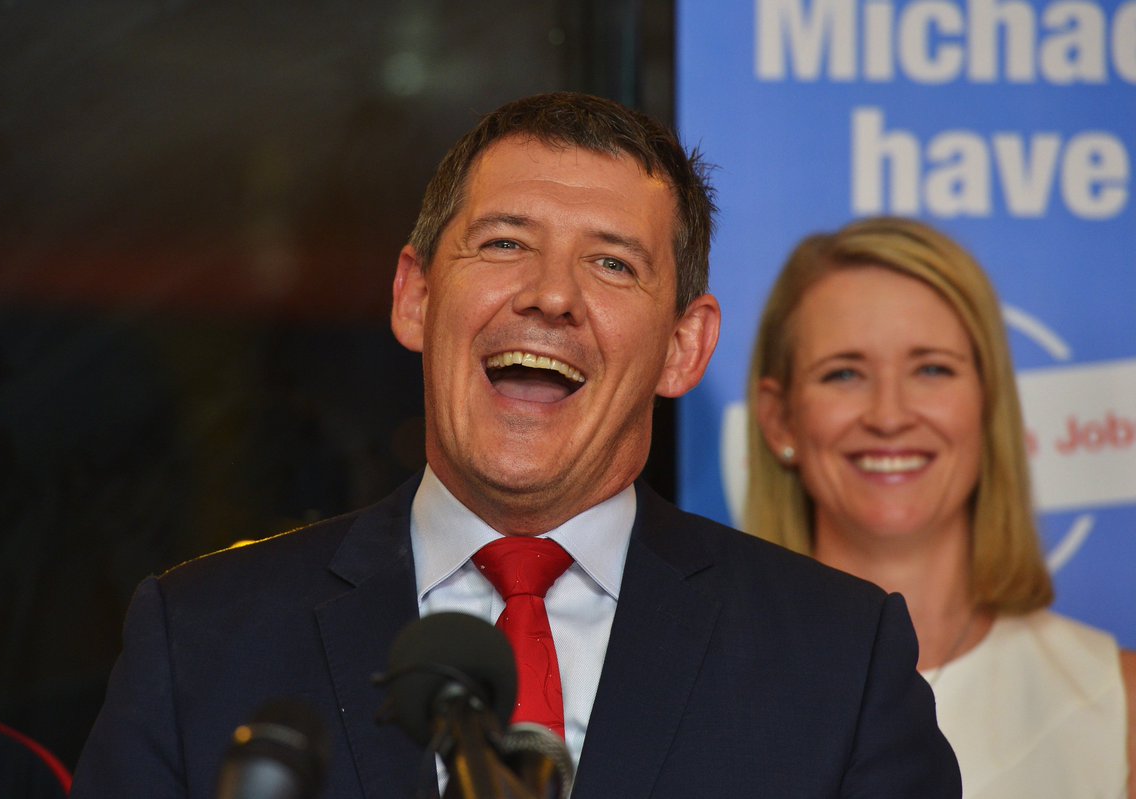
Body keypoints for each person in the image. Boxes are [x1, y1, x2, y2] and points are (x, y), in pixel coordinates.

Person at [70, 93, 960, 797]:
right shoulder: (201, 638)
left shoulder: (838, 662)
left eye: (612, 263)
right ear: (415, 296)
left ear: (683, 347)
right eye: (503, 243)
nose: (550, 295)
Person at [746, 215, 1136, 799]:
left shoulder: (1115, 700)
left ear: (988, 403)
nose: (889, 415)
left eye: (932, 369)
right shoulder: (698, 678)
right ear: (780, 419)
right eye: (844, 373)